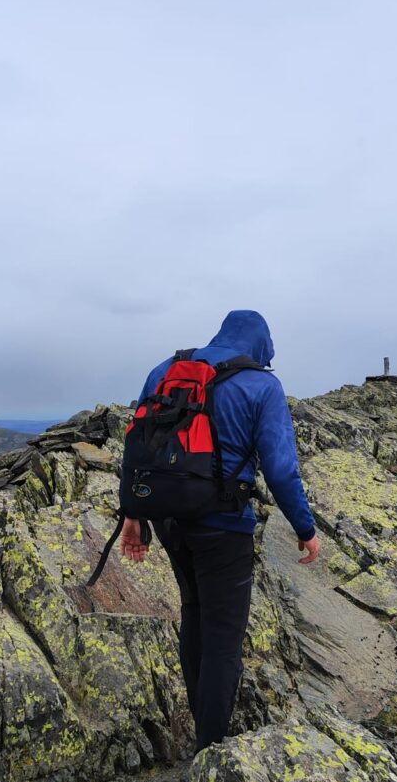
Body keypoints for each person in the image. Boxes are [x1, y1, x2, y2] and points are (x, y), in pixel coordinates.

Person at [118, 310, 320, 753]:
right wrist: (305, 527)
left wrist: (132, 511)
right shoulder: (261, 385)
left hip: (169, 519)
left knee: (194, 613)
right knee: (224, 640)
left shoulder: (165, 370)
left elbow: (138, 446)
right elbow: (282, 470)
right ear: (261, 345)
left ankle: (201, 726)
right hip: (224, 527)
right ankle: (211, 750)